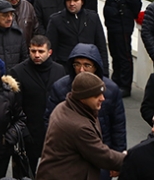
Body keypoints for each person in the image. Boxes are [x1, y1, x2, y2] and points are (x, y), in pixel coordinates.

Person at [45, 43, 127, 180]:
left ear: (96, 67)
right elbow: (48, 124)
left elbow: (118, 126)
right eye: (77, 64)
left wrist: (117, 158)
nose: (81, 70)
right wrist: (126, 160)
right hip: (73, 163)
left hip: (102, 159)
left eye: (87, 65)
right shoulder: (60, 89)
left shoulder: (111, 90)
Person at [9, 35, 66, 174]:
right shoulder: (18, 72)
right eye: (33, 51)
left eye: (41, 51)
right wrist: (23, 131)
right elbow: (15, 106)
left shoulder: (60, 71)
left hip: (53, 132)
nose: (36, 55)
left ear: (49, 52)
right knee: (25, 173)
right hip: (28, 132)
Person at [104, 0, 142, 97]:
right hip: (113, 23)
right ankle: (117, 80)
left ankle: (125, 85)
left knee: (124, 54)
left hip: (121, 23)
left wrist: (126, 17)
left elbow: (135, 3)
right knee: (115, 51)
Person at [47, 0, 108, 71]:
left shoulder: (93, 17)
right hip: (65, 67)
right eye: (69, 0)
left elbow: (101, 46)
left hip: (89, 66)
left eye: (75, 0)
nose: (72, 4)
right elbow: (51, 48)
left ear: (82, 1)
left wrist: (104, 71)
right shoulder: (56, 20)